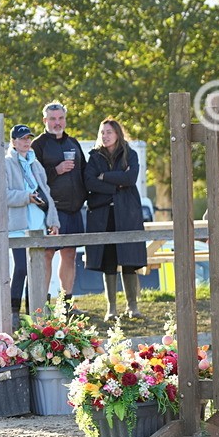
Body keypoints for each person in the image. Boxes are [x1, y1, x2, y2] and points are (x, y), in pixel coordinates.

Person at [83, 118, 148, 321]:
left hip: (127, 212)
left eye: (109, 132)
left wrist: (105, 177)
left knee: (129, 258)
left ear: (117, 133)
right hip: (104, 214)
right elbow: (89, 181)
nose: (105, 135)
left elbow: (130, 179)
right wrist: (116, 183)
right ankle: (111, 308)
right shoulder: (94, 157)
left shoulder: (131, 154)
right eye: (102, 132)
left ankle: (133, 307)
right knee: (108, 259)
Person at [30, 102, 86, 311]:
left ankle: (66, 305)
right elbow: (33, 177)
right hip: (50, 210)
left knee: (70, 254)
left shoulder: (73, 142)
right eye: (52, 119)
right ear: (45, 121)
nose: (57, 122)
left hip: (74, 210)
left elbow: (84, 172)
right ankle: (42, 305)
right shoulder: (38, 144)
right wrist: (56, 170)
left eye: (60, 118)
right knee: (46, 255)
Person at [5, 124, 60, 321]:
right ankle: (13, 313)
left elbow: (47, 193)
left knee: (36, 271)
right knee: (21, 268)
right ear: (13, 142)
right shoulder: (6, 163)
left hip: (38, 225)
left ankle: (33, 313)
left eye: (28, 138)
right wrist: (26, 197)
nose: (26, 142)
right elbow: (4, 196)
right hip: (18, 227)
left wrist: (53, 220)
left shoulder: (35, 163)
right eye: (22, 138)